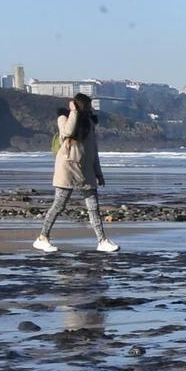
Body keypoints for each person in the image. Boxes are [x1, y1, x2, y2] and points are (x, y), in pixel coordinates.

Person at [34, 93, 117, 254]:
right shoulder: (64, 118)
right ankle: (42, 238)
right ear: (80, 105)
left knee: (93, 207)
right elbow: (68, 132)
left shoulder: (90, 123)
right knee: (59, 205)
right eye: (89, 105)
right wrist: (73, 112)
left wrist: (99, 173)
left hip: (86, 171)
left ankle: (102, 241)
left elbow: (94, 149)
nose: (91, 108)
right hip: (67, 169)